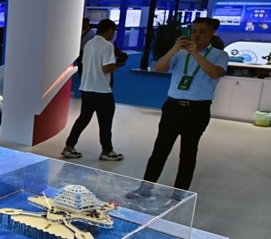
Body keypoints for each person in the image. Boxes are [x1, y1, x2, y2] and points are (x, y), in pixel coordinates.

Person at [128, 17, 229, 197]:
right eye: (194, 31)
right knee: (160, 149)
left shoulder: (219, 55)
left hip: (197, 110)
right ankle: (145, 188)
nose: (196, 35)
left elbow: (215, 73)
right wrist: (174, 49)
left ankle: (179, 193)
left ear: (212, 34)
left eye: (202, 31)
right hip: (173, 107)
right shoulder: (180, 53)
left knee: (188, 153)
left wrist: (196, 54)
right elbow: (159, 68)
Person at [61, 19, 125, 161]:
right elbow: (106, 68)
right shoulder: (107, 46)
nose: (113, 34)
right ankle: (107, 151)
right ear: (109, 30)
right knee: (105, 122)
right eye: (113, 31)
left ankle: (69, 146)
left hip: (86, 88)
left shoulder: (89, 44)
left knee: (83, 118)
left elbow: (85, 63)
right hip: (101, 90)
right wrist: (118, 65)